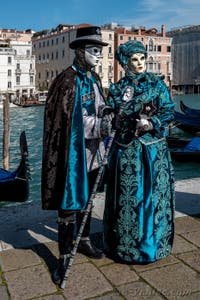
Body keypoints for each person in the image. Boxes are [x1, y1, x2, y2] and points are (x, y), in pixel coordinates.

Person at [41, 25, 113, 285]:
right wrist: (102, 126)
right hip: (71, 155)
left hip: (93, 152)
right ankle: (63, 254)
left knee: (89, 197)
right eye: (94, 51)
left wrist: (108, 113)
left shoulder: (93, 78)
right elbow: (71, 123)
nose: (98, 56)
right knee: (69, 202)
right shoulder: (67, 82)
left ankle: (83, 240)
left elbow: (98, 106)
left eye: (100, 51)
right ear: (81, 51)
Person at [103, 40, 175, 264]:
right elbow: (111, 114)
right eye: (134, 59)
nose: (140, 63)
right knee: (128, 198)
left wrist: (151, 123)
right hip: (126, 152)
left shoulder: (157, 85)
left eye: (142, 58)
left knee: (153, 197)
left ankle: (153, 246)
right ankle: (125, 246)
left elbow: (168, 111)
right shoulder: (116, 89)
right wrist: (112, 118)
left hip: (153, 151)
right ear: (125, 62)